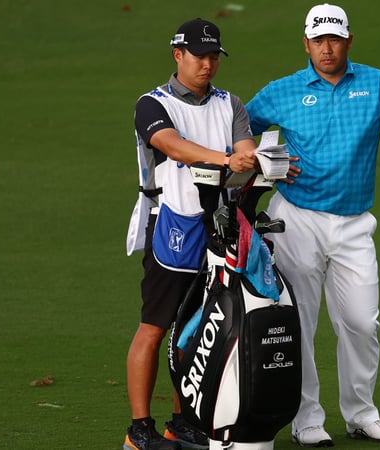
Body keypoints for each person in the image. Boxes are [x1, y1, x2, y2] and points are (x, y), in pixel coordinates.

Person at [245, 3, 380, 447]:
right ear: (306, 44)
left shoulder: (377, 84)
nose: (325, 49)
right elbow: (240, 127)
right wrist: (260, 160)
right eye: (317, 41)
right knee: (301, 322)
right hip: (296, 219)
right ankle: (307, 419)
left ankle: (360, 413)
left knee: (361, 322)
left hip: (354, 223)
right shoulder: (283, 90)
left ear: (348, 40)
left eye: (333, 40)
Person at [124, 18, 258, 450]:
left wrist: (261, 159)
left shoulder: (230, 104)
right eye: (199, 56)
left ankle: (183, 423)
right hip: (171, 226)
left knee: (201, 328)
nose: (207, 64)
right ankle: (138, 430)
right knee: (156, 326)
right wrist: (226, 159)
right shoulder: (152, 103)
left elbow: (245, 151)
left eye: (214, 56)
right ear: (177, 55)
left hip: (218, 226)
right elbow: (172, 145)